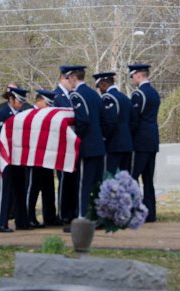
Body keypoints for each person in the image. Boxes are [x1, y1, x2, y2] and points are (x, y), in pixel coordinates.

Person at [64, 65, 105, 221]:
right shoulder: (94, 94)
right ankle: (98, 217)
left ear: (74, 77)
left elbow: (82, 120)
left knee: (84, 184)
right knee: (97, 183)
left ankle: (82, 216)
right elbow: (102, 119)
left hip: (86, 146)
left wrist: (75, 139)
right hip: (99, 145)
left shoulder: (77, 95)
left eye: (69, 78)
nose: (68, 81)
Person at [0, 85, 32, 232]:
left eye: (23, 101)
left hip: (20, 158)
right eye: (19, 100)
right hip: (7, 158)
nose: (21, 103)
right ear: (11, 99)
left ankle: (21, 221)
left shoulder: (24, 113)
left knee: (20, 190)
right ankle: (1, 223)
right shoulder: (2, 113)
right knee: (5, 192)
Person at [128, 63, 161, 223]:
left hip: (140, 141)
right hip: (152, 140)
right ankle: (150, 212)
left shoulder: (139, 94)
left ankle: (135, 211)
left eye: (132, 75)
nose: (132, 79)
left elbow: (134, 120)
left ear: (138, 75)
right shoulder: (154, 93)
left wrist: (129, 136)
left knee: (133, 177)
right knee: (148, 179)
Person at [25, 89, 59, 228]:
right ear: (38, 101)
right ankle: (29, 217)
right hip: (33, 157)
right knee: (32, 188)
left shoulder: (47, 115)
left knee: (48, 188)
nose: (49, 107)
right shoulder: (28, 114)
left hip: (47, 157)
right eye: (47, 104)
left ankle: (50, 217)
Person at [94, 71, 133, 174]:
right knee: (124, 180)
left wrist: (103, 137)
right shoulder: (125, 98)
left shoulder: (108, 98)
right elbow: (132, 121)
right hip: (127, 144)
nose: (100, 90)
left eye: (99, 87)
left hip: (113, 145)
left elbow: (110, 121)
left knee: (109, 178)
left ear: (104, 84)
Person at [53, 67, 77, 227]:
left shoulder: (72, 96)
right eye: (71, 79)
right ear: (64, 78)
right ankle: (63, 214)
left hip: (72, 144)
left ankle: (72, 212)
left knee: (72, 181)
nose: (73, 83)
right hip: (62, 144)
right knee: (64, 180)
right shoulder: (56, 96)